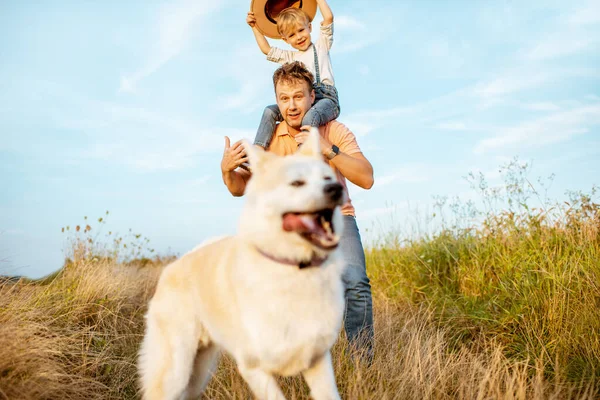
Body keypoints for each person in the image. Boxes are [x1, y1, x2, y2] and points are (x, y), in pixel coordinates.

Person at [220, 61, 374, 360]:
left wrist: (327, 148)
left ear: (312, 97)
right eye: (284, 98)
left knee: (355, 282)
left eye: (298, 97)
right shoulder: (271, 140)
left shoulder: (333, 129)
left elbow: (366, 177)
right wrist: (227, 171)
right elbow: (240, 188)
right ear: (277, 102)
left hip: (336, 218)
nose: (292, 106)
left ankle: (362, 364)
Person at [246, 0, 339, 150]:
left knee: (310, 117)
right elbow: (266, 49)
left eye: (301, 30)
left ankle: (304, 150)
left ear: (309, 27)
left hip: (326, 99)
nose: (299, 37)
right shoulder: (290, 57)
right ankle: (258, 151)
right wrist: (254, 27)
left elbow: (328, 18)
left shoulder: (322, 45)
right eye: (292, 35)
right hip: (301, 101)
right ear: (285, 39)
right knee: (269, 111)